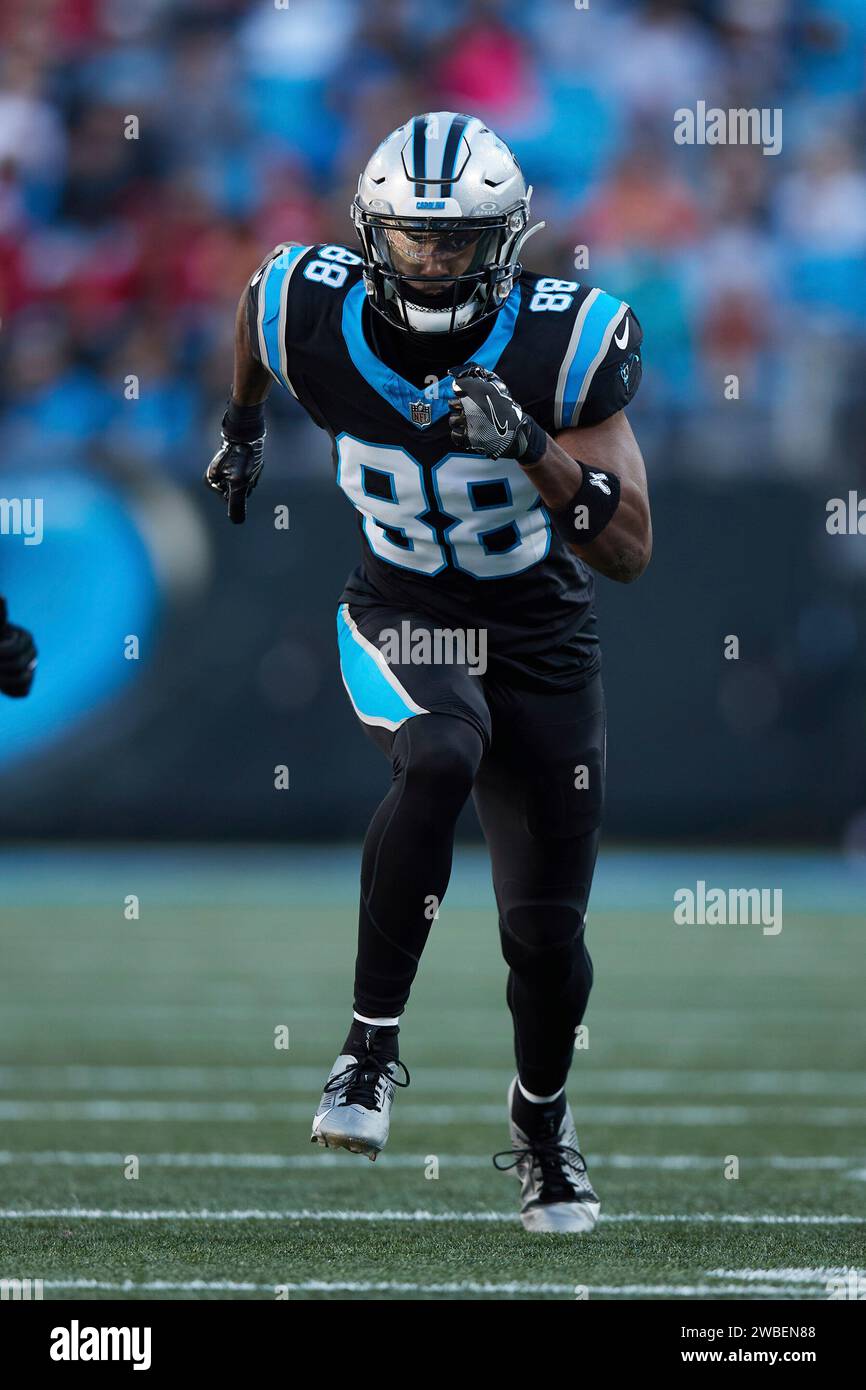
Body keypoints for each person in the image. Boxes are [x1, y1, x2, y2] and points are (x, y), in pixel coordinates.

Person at [205, 113, 651, 1234]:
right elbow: (255, 326)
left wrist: (533, 450)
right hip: (402, 610)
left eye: (456, 243)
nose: (432, 261)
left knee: (544, 936)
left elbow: (628, 549)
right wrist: (242, 426)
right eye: (411, 239)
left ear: (506, 243)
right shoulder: (300, 300)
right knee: (440, 748)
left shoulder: (565, 341)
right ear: (370, 234)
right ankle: (366, 1052)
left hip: (543, 644)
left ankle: (542, 1129)